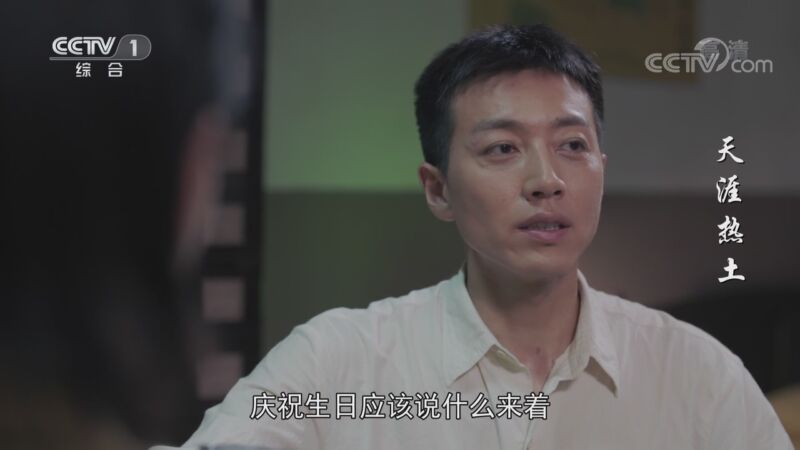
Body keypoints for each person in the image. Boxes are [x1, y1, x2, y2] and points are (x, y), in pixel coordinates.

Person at [154, 24, 793, 450]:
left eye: (573, 145)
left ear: (602, 167)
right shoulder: (339, 362)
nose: (547, 181)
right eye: (502, 148)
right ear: (437, 189)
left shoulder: (696, 373)